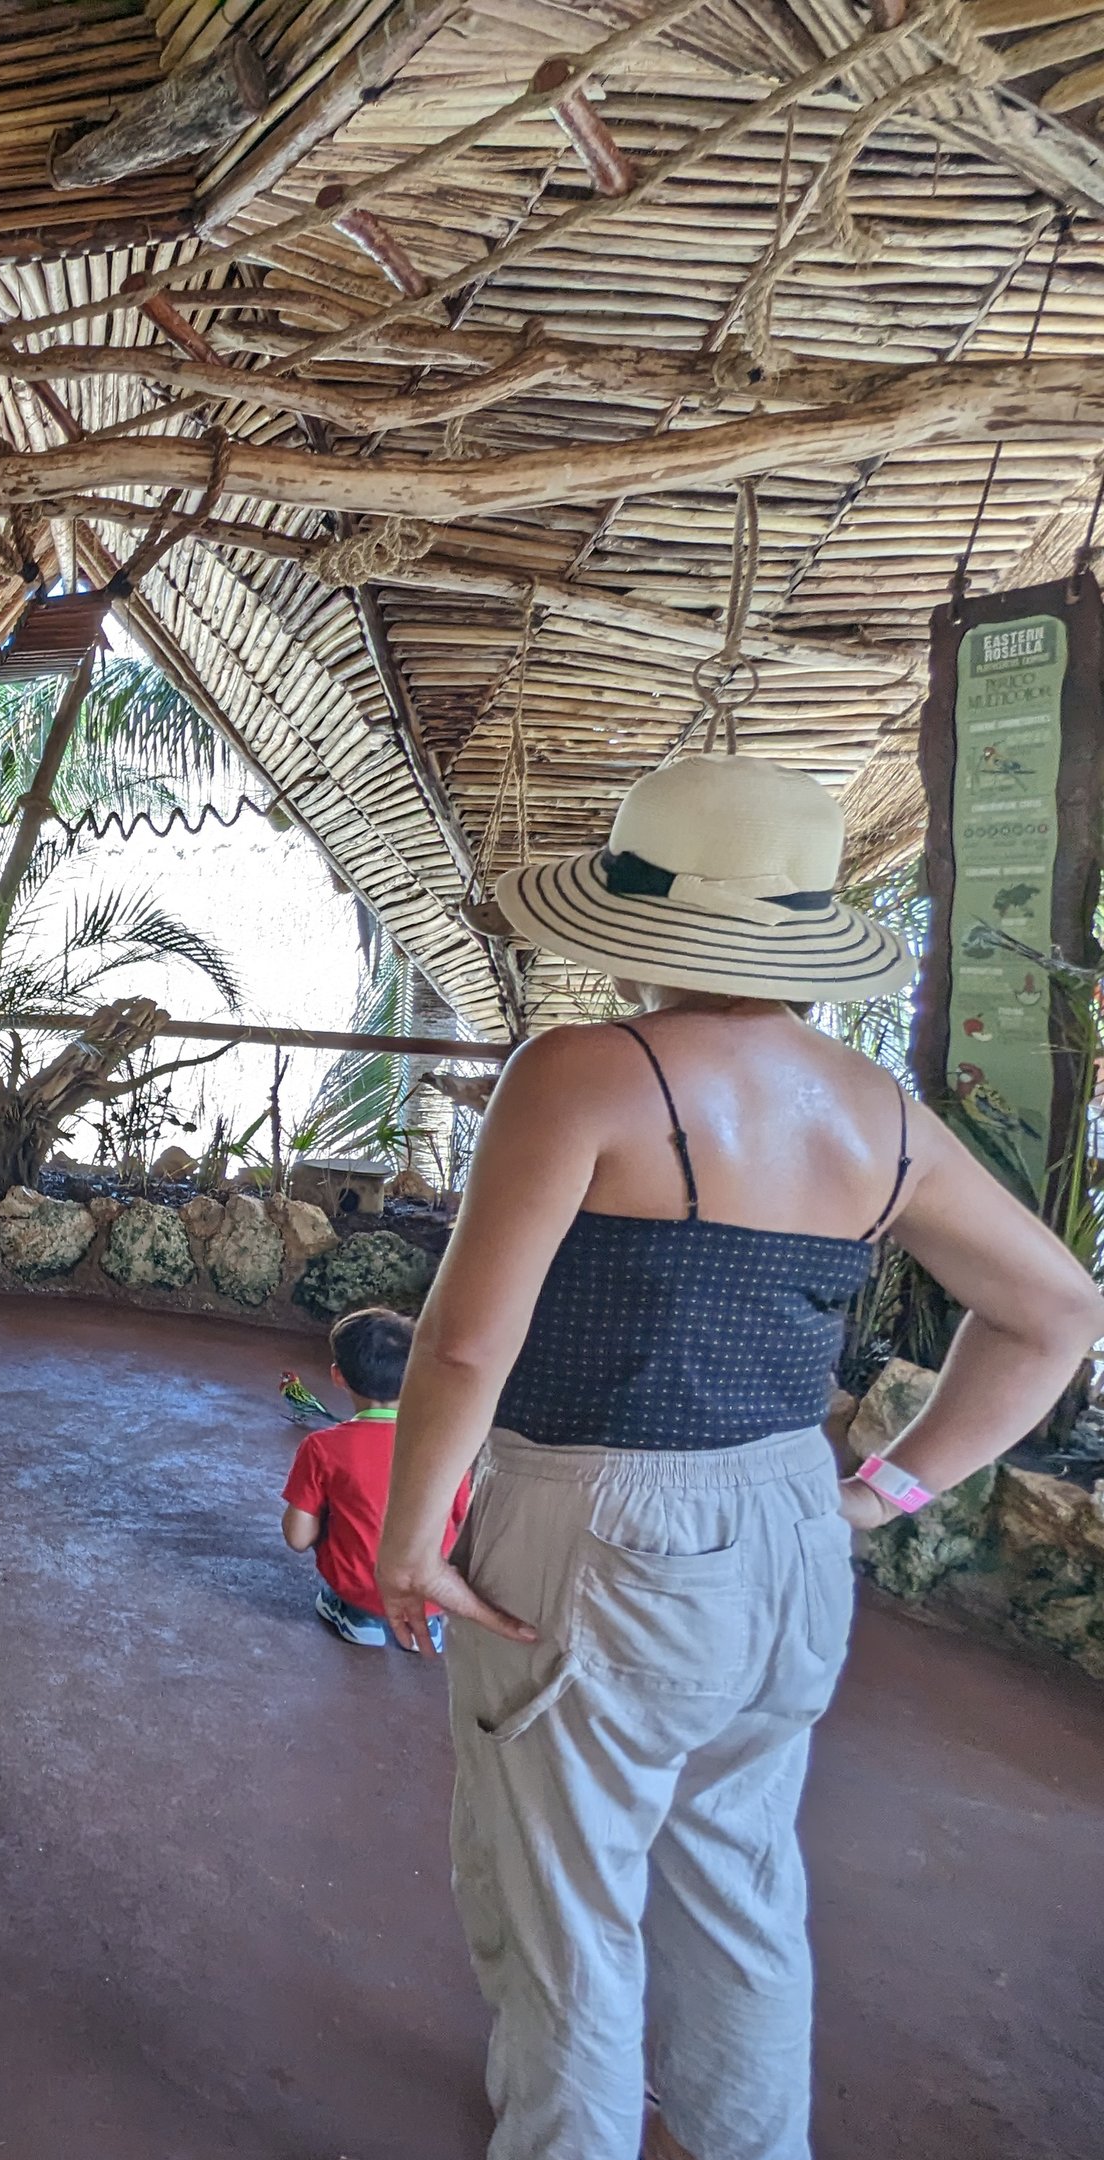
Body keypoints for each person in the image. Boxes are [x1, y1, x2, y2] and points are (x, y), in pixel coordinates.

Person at [372, 753, 1104, 2160]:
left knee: (565, 1909)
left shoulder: (581, 1075)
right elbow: (1057, 1310)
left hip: (601, 1521)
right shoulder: (877, 1114)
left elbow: (465, 1345)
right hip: (789, 1523)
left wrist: (413, 1537)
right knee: (740, 1883)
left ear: (641, 922)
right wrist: (878, 1492)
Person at [281, 1307, 469, 1651]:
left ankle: (358, 1615)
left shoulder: (322, 1446)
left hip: (361, 1588)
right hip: (430, 1591)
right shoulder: (448, 1444)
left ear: (338, 1376)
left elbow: (297, 1537)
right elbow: (466, 1524)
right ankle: (424, 1623)